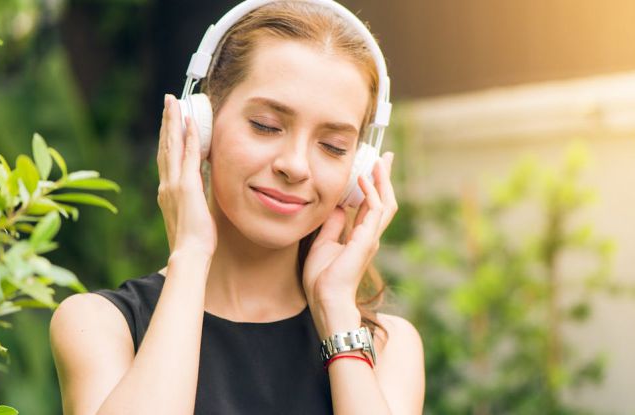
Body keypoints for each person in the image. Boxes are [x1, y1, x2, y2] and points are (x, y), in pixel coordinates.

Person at [49, 1, 425, 414]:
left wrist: (336, 310)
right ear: (201, 125)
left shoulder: (388, 347)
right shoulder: (100, 324)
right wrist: (191, 255)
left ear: (357, 170)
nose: (295, 166)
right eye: (266, 125)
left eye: (333, 146)